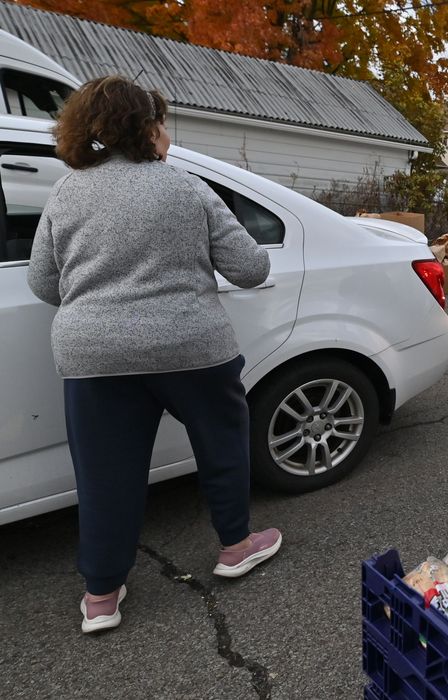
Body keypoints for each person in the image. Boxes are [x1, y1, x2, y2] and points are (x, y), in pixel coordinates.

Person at [26, 76, 281, 634]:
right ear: (145, 129)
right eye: (160, 122)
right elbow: (250, 269)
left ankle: (101, 594)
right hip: (193, 348)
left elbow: (44, 284)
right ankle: (236, 547)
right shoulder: (186, 188)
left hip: (92, 356)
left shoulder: (66, 193)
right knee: (222, 446)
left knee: (104, 474)